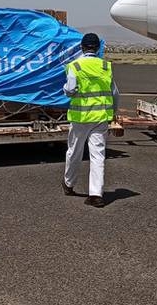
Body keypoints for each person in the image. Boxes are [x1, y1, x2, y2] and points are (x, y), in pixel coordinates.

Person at [62, 33, 119, 208]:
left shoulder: (75, 66)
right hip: (100, 117)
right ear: (97, 48)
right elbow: (115, 93)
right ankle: (95, 194)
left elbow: (70, 89)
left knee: (74, 152)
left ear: (82, 47)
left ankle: (69, 183)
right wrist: (113, 114)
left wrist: (66, 89)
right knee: (98, 155)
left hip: (81, 118)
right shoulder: (105, 66)